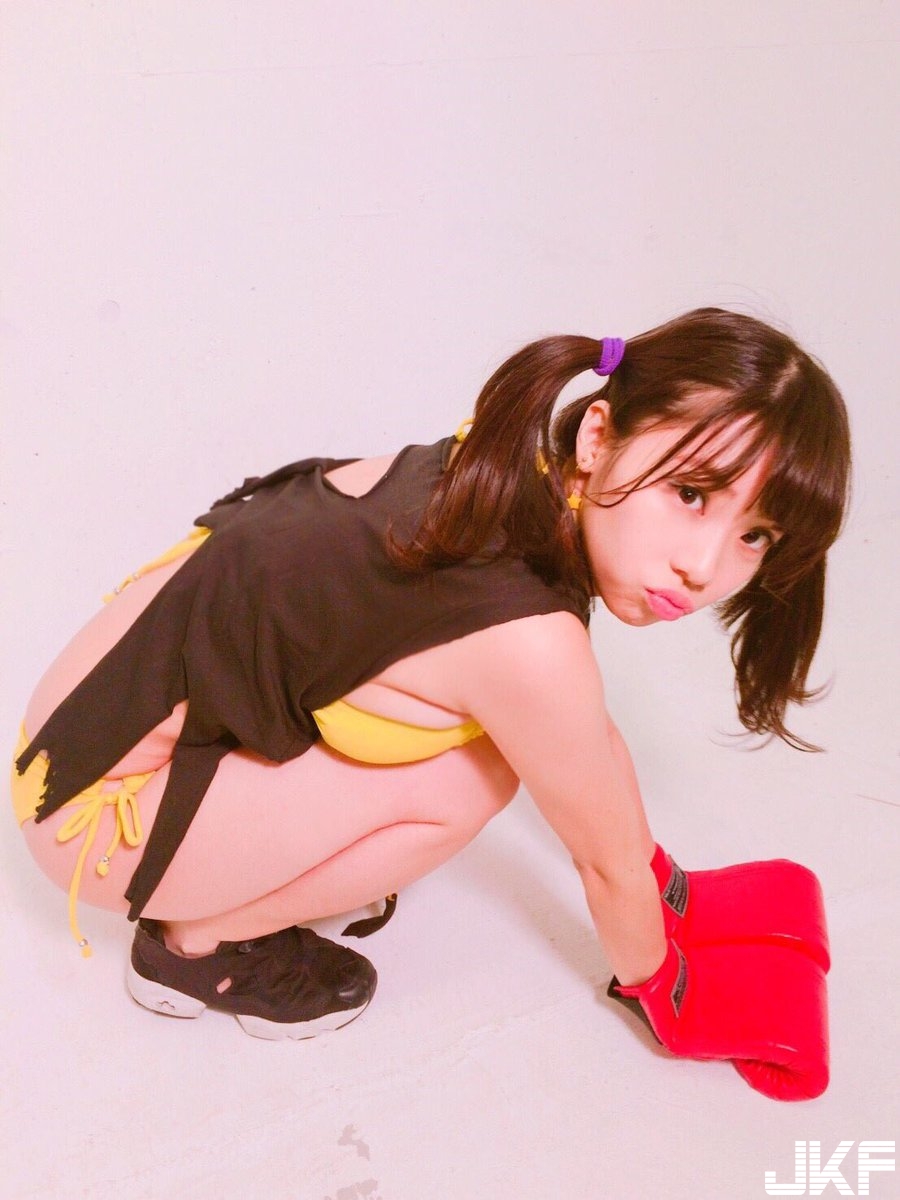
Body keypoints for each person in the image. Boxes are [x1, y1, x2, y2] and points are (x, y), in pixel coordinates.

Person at [12, 307, 850, 1081]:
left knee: (506, 741)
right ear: (599, 436)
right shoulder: (528, 641)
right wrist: (665, 987)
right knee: (472, 777)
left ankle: (226, 878)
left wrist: (665, 884)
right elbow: (600, 858)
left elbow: (587, 742)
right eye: (691, 494)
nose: (703, 567)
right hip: (94, 817)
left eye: (754, 535)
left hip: (79, 734)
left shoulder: (500, 468)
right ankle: (197, 945)